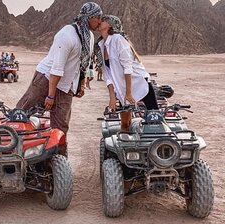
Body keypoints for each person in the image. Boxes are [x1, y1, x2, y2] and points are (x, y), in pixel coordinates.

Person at [16, 2, 103, 156]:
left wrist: (81, 85)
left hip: (66, 85)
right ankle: (13, 150)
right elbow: (57, 68)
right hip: (46, 79)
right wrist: (50, 95)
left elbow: (84, 63)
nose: (100, 21)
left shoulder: (88, 36)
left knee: (61, 125)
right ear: (89, 17)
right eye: (98, 17)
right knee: (22, 112)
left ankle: (58, 161)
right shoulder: (66, 35)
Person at [95, 15, 158, 133]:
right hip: (123, 88)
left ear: (110, 25)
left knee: (154, 117)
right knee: (124, 124)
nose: (99, 22)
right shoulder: (101, 46)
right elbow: (107, 75)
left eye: (102, 20)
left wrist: (129, 93)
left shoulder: (117, 39)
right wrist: (112, 98)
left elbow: (127, 67)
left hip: (139, 82)